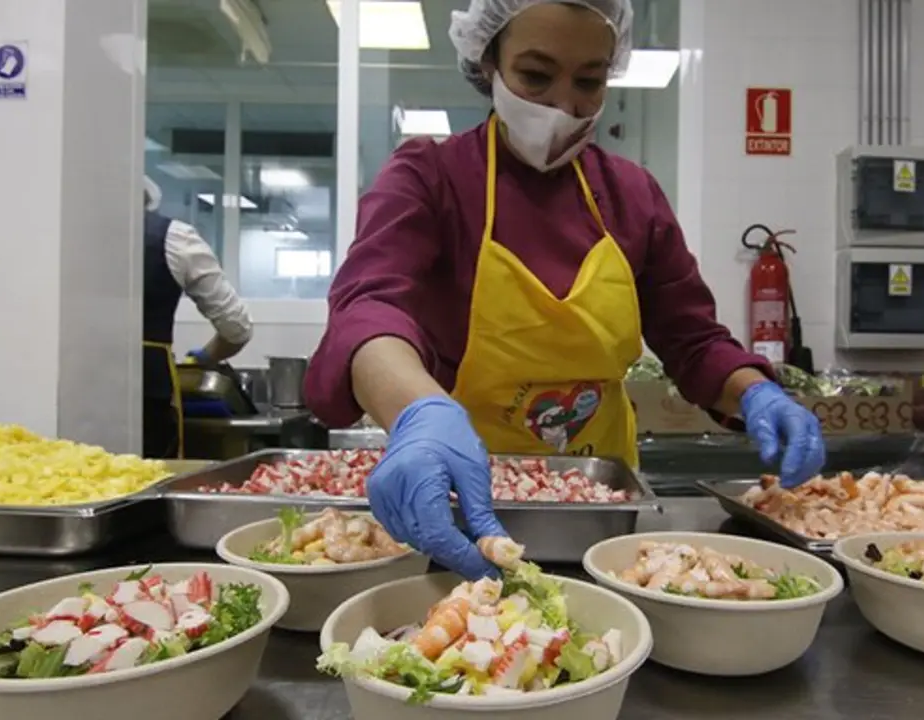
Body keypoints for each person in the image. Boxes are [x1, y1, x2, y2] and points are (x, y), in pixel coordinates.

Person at [303, 0, 825, 579]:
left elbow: (694, 339)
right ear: (488, 61)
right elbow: (369, 307)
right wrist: (417, 414)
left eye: (589, 82)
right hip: (458, 508)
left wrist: (755, 393)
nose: (563, 105)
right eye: (535, 75)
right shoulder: (431, 178)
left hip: (600, 514)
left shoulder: (631, 195)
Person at [141, 175, 252, 459]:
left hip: (78, 388)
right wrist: (204, 358)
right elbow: (236, 328)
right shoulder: (173, 239)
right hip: (149, 391)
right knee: (152, 479)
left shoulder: (64, 237)